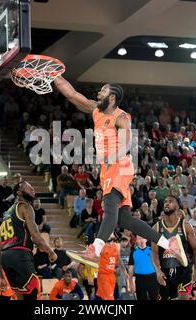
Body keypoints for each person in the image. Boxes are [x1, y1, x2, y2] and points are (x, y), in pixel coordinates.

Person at [54, 77, 171, 262]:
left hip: (119, 164)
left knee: (109, 208)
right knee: (124, 220)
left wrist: (112, 156)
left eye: (103, 90)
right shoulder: (96, 110)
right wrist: (53, 75)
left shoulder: (121, 117)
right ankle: (168, 243)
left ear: (113, 97)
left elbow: (126, 140)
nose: (99, 93)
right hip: (108, 168)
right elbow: (72, 94)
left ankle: (95, 249)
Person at [0, 181, 57, 300]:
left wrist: (1, 276)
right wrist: (51, 252)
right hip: (20, 255)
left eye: (33, 187)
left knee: (20, 297)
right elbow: (36, 236)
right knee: (33, 292)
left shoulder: (7, 214)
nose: (33, 189)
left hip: (6, 258)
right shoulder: (26, 207)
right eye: (29, 187)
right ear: (18, 192)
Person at [151, 195, 196, 300]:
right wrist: (158, 271)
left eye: (170, 201)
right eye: (165, 201)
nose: (166, 203)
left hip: (184, 271)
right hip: (165, 270)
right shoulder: (156, 227)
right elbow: (154, 253)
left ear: (178, 206)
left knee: (183, 298)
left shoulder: (186, 226)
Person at [128, 236, 159, 300]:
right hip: (140, 279)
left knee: (156, 298)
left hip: (152, 278)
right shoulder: (133, 253)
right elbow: (130, 269)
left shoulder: (152, 250)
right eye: (139, 238)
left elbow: (158, 265)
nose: (141, 240)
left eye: (143, 238)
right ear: (136, 240)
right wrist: (130, 283)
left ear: (146, 239)